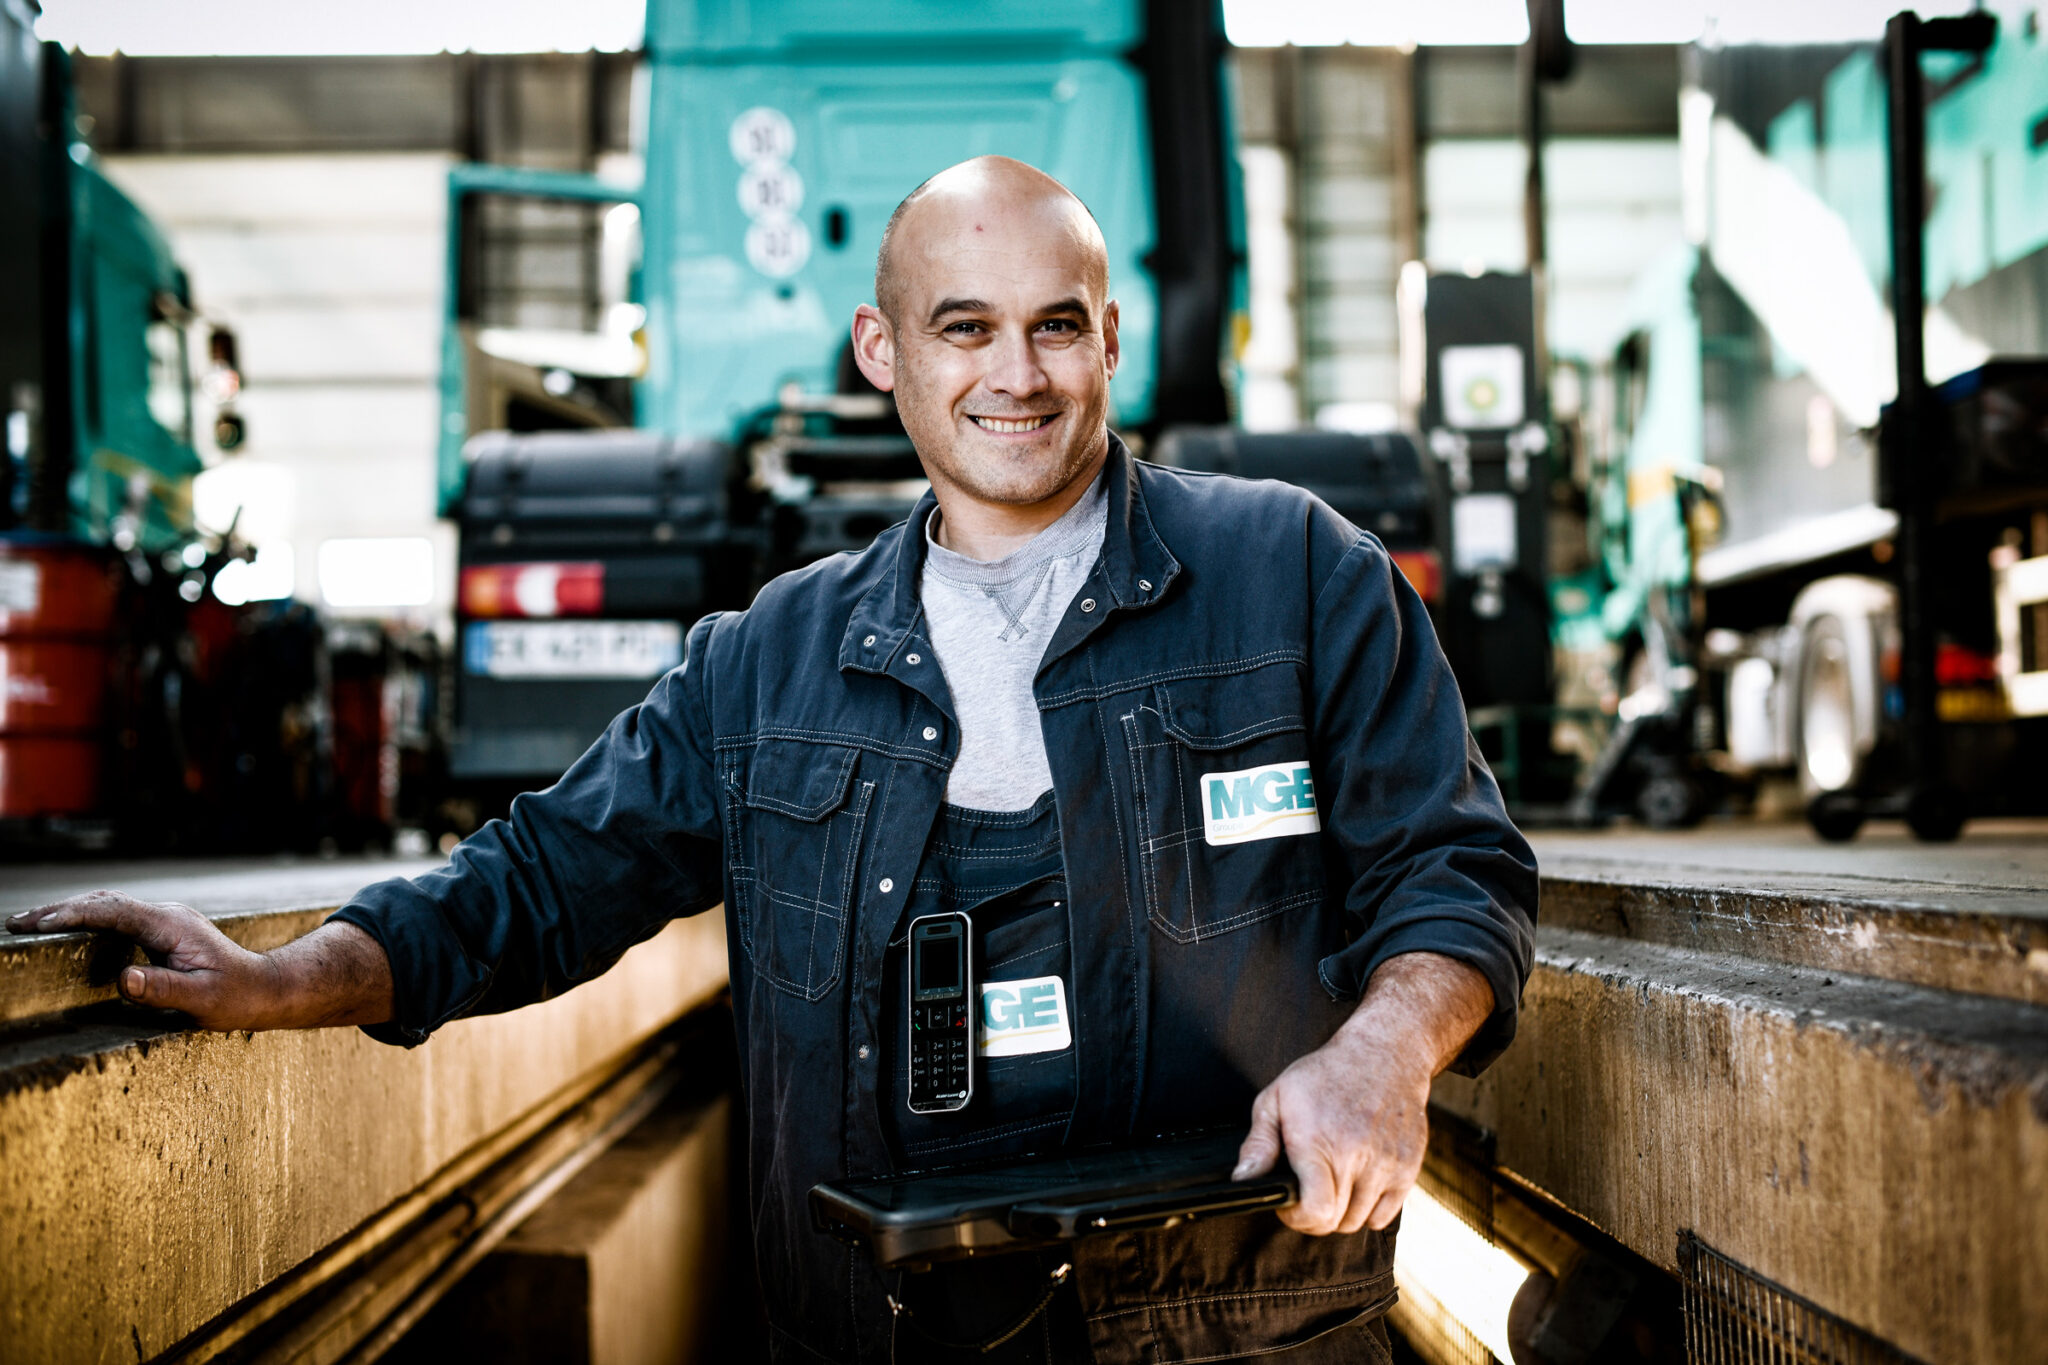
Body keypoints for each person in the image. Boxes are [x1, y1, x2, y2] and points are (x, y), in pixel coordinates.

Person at [10, 156, 1536, 1364]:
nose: (1020, 372)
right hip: (872, 1337)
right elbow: (541, 880)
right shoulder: (770, 664)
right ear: (884, 349)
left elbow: (1457, 871)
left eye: (1057, 324)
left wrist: (1382, 1050)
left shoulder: (1295, 578)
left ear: (1111, 340)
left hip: (1235, 1332)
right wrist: (293, 975)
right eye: (967, 327)